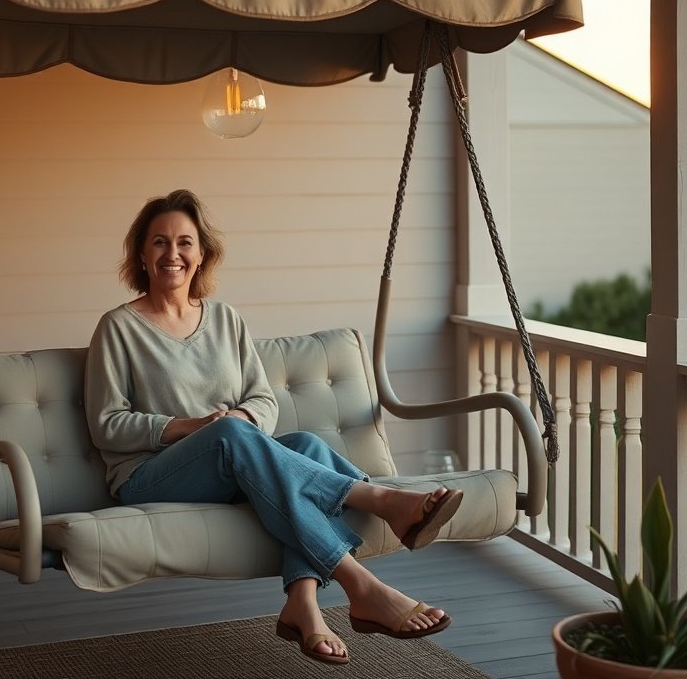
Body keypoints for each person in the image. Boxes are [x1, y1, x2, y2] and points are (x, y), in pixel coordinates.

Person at [84, 189, 463, 665]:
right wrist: (192, 426)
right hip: (149, 476)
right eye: (159, 242)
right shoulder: (118, 327)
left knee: (305, 444)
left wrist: (241, 417)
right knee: (232, 436)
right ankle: (366, 558)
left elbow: (262, 399)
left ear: (202, 254)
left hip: (229, 461)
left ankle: (302, 603)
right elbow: (106, 424)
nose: (172, 253)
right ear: (142, 253)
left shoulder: (225, 319)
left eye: (184, 242)